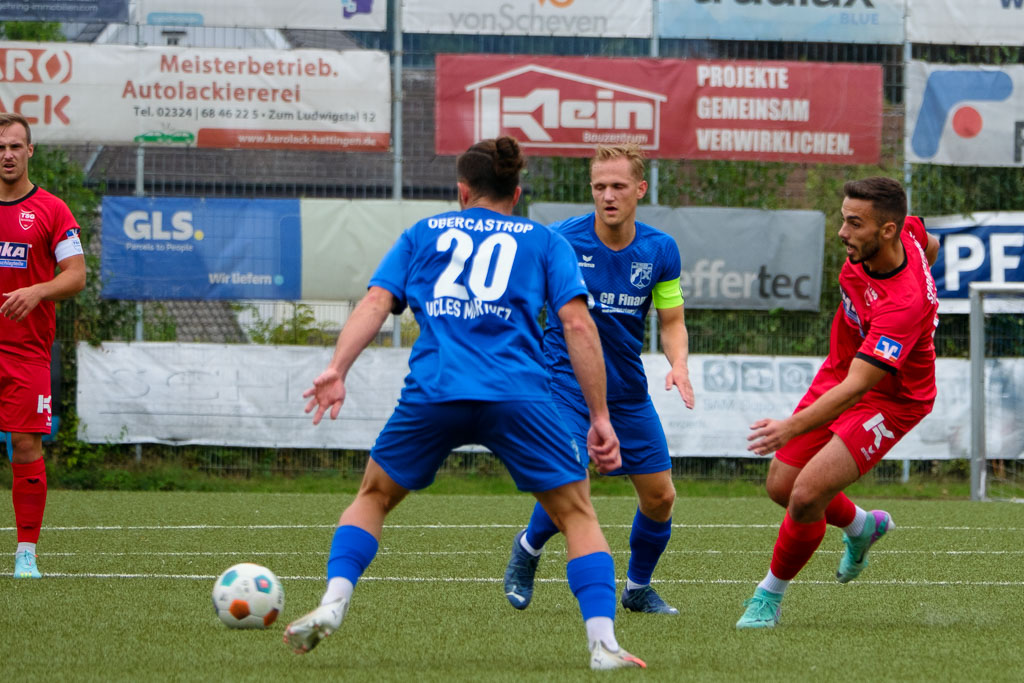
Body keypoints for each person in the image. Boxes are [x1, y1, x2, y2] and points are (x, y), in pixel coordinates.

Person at [284, 137, 645, 670]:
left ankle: (333, 603)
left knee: (374, 496)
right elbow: (576, 325)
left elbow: (377, 302)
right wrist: (599, 417)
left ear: (462, 191)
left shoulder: (423, 232)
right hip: (518, 395)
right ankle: (603, 644)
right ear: (516, 193)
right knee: (576, 514)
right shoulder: (545, 241)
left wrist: (337, 369)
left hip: (436, 390)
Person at [736, 176, 939, 629]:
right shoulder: (907, 231)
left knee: (806, 495)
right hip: (841, 371)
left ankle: (768, 596)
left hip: (889, 399)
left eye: (854, 223)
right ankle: (862, 527)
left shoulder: (902, 304)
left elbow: (858, 390)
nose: (843, 232)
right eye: (843, 218)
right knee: (781, 488)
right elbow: (931, 240)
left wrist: (789, 426)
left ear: (885, 231)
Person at [503, 144, 694, 615]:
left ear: (640, 190)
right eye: (599, 187)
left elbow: (671, 321)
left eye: (618, 186)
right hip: (562, 383)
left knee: (661, 496)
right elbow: (522, 303)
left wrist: (679, 363)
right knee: (570, 477)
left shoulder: (660, 249)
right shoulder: (559, 240)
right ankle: (527, 551)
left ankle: (637, 589)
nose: (608, 196)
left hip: (627, 391)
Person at [0, 112, 87, 579]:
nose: (7, 155)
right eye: (0, 148)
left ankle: (26, 552)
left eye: (15, 146)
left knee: (26, 444)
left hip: (27, 350)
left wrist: (37, 291)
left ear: (30, 151)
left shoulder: (52, 210)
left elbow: (76, 276)